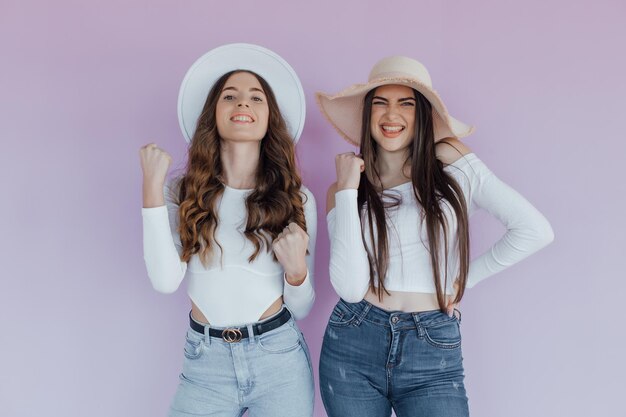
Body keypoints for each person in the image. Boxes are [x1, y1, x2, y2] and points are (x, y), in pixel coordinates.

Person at [316, 55, 554, 417]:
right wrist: (349, 189)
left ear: (423, 114)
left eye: (406, 104)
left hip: (432, 344)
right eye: (380, 103)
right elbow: (350, 289)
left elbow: (534, 230)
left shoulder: (453, 163)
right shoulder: (342, 190)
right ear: (367, 115)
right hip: (354, 339)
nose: (391, 114)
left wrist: (462, 281)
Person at [140, 44, 316, 417]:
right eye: (230, 96)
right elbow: (165, 280)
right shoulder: (182, 192)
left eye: (256, 98)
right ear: (213, 114)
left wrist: (297, 270)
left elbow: (301, 307)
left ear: (270, 118)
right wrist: (151, 189)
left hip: (279, 360)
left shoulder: (296, 199)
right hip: (205, 365)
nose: (243, 105)